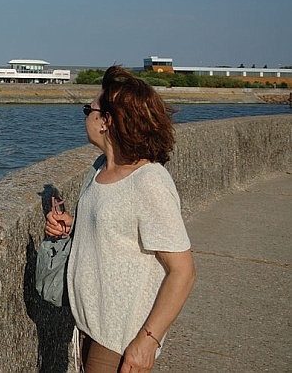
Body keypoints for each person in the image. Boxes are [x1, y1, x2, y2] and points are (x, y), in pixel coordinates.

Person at [45, 66, 196, 373]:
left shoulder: (149, 182)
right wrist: (75, 225)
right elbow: (120, 230)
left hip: (119, 337)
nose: (86, 115)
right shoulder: (103, 170)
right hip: (89, 326)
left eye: (91, 109)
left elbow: (183, 271)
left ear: (107, 122)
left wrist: (147, 342)